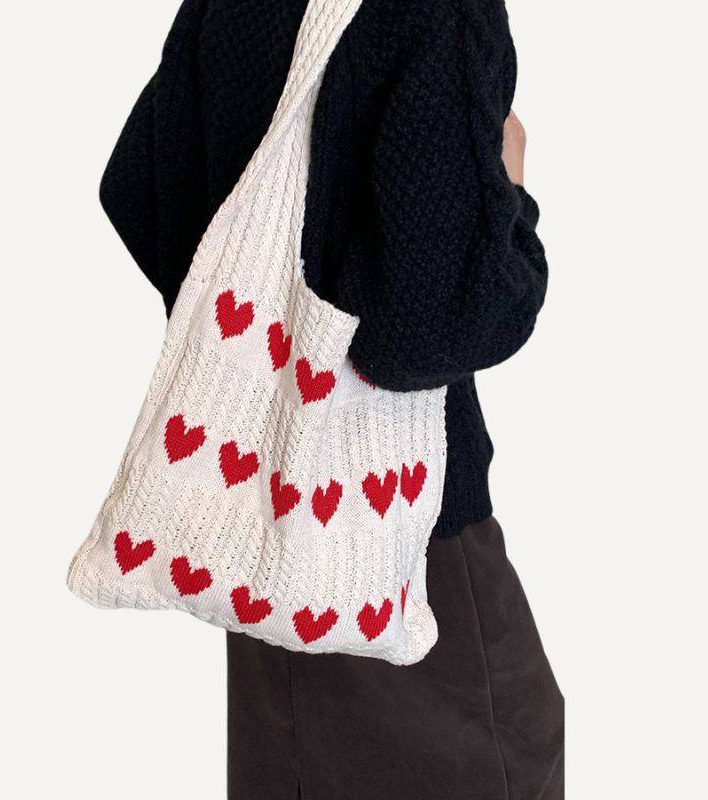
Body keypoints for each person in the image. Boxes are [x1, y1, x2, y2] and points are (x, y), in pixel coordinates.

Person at [98, 0, 564, 797]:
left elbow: (136, 188)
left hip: (257, 539)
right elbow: (423, 335)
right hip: (392, 544)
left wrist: (266, 342)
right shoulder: (437, 14)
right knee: (512, 743)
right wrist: (512, 201)